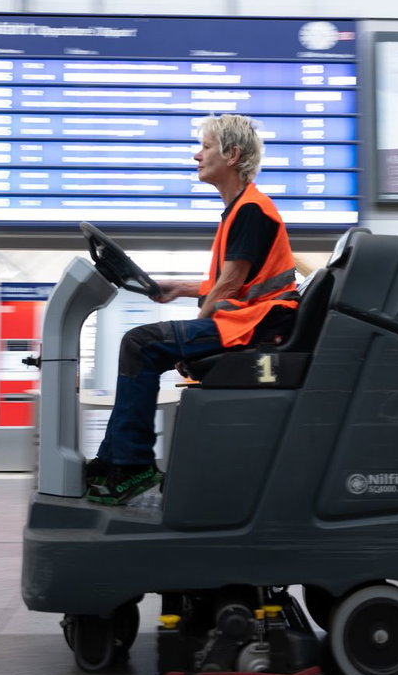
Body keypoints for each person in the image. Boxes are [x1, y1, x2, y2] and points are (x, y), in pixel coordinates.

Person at [85, 114, 299, 505]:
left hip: (257, 326)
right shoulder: (241, 209)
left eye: (204, 146)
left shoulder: (252, 210)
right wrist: (178, 288)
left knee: (142, 343)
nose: (195, 155)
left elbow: (231, 285)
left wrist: (190, 342)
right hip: (248, 320)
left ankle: (131, 466)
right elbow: (234, 283)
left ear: (232, 154)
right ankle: (110, 461)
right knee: (143, 344)